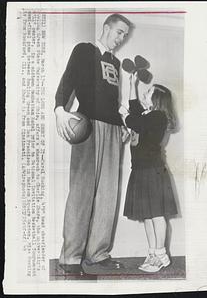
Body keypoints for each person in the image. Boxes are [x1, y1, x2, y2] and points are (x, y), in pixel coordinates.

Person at [54, 14, 132, 276]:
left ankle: (98, 255)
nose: (121, 38)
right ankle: (70, 258)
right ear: (106, 27)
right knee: (82, 191)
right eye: (119, 32)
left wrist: (122, 124)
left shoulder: (116, 62)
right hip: (88, 127)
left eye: (125, 35)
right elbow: (68, 80)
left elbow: (112, 100)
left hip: (112, 129)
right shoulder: (84, 50)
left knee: (108, 193)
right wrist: (59, 109)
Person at [122, 73, 178, 273]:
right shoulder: (147, 114)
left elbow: (133, 121)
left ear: (156, 100)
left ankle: (161, 255)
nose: (145, 93)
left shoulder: (158, 117)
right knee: (147, 215)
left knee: (156, 214)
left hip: (153, 172)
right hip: (140, 171)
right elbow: (134, 106)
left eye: (148, 92)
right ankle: (153, 252)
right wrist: (132, 84)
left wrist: (124, 114)